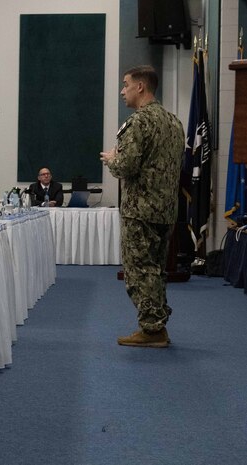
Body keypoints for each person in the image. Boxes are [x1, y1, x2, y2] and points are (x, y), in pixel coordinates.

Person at [100, 65, 184, 348]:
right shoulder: (174, 122)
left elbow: (127, 166)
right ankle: (157, 325)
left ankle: (152, 329)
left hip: (140, 210)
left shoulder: (139, 122)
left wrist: (112, 158)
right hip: (166, 209)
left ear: (140, 87)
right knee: (157, 269)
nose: (122, 91)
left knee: (139, 269)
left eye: (125, 85)